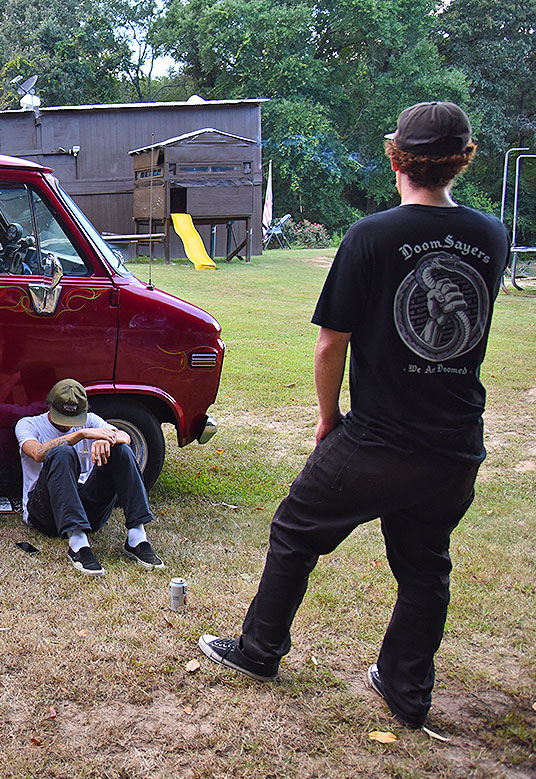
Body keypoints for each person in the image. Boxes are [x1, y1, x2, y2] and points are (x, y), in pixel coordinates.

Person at [198, 101, 508, 731]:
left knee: (294, 531)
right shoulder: (491, 237)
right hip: (454, 449)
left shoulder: (372, 235)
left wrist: (326, 418)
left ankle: (258, 651)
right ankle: (405, 691)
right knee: (425, 568)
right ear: (464, 161)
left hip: (377, 440)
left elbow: (329, 342)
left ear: (397, 159)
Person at [15, 378, 162, 575]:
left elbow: (125, 437)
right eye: (63, 418)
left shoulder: (92, 420)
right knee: (62, 453)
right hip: (45, 512)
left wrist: (108, 439)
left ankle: (137, 536)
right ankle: (78, 544)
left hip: (88, 510)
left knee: (121, 450)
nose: (68, 426)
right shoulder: (28, 424)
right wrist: (81, 434)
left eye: (74, 420)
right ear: (49, 407)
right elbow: (38, 452)